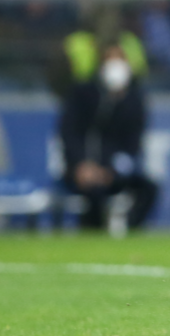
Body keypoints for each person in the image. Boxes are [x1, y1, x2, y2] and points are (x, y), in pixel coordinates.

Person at [59, 45, 158, 230]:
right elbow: (69, 133)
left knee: (150, 189)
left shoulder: (134, 100)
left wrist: (112, 171)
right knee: (94, 194)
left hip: (113, 172)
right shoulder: (83, 93)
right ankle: (93, 233)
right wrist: (80, 165)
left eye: (120, 60)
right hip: (82, 170)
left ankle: (129, 230)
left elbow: (132, 145)